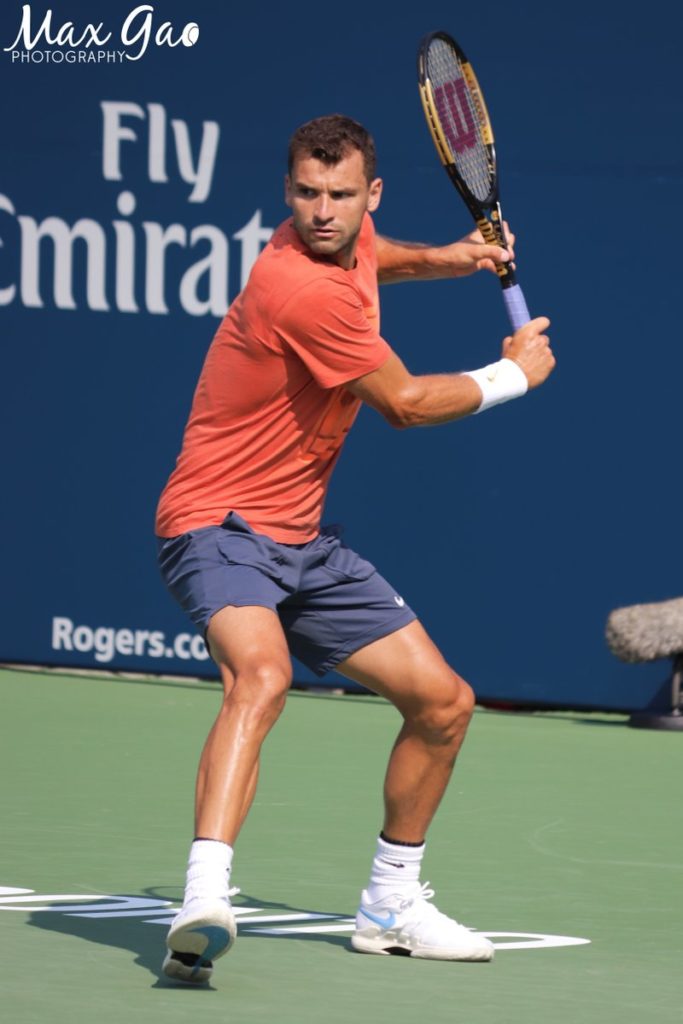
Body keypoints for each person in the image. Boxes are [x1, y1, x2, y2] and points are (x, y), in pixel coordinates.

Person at [155, 114, 555, 983]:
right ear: (286, 191)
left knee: (444, 702)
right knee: (260, 675)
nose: (322, 212)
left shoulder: (349, 242)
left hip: (302, 540)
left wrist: (455, 257)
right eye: (305, 194)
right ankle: (203, 897)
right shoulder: (295, 285)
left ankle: (390, 906)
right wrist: (511, 376)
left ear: (369, 194)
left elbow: (378, 255)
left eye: (339, 196)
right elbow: (404, 403)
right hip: (216, 525)